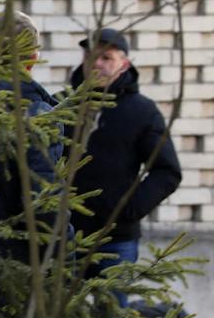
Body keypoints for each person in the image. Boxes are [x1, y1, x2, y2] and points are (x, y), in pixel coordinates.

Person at [69, 27, 181, 279]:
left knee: (111, 317)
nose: (96, 64)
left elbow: (166, 171)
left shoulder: (142, 112)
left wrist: (126, 210)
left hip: (115, 240)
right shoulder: (62, 106)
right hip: (63, 237)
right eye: (90, 56)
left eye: (106, 57)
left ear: (124, 64)